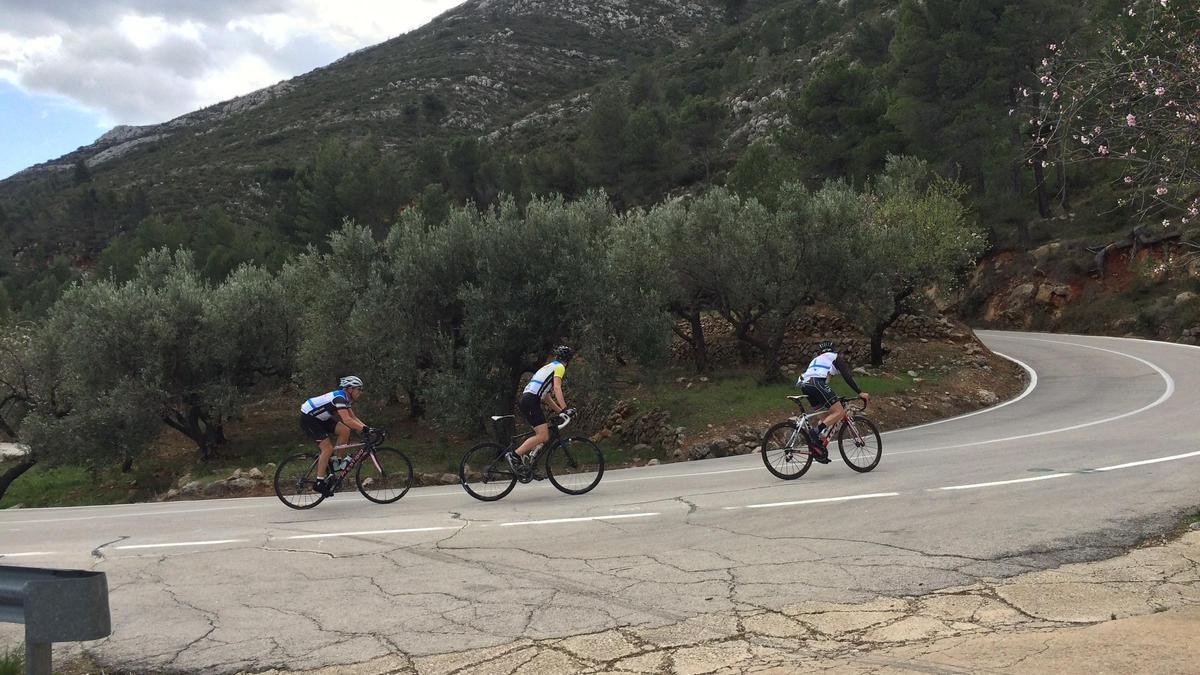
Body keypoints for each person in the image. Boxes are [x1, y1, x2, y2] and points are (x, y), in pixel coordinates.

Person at [506, 346, 576, 476]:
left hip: (527, 399)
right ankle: (514, 456)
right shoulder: (560, 367)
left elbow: (546, 396)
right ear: (568, 360)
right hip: (531, 401)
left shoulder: (548, 367)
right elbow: (557, 387)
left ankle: (529, 465)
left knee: (542, 435)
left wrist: (560, 411)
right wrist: (566, 409)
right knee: (543, 436)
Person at [299, 375, 374, 496]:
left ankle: (337, 462)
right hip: (309, 418)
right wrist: (365, 429)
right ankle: (319, 482)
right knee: (327, 448)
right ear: (350, 389)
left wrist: (369, 429)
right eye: (359, 389)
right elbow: (347, 420)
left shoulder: (345, 399)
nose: (361, 392)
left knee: (345, 431)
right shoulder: (339, 398)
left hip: (320, 417)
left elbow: (353, 418)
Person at [797, 340, 869, 463]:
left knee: (826, 417)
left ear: (821, 352)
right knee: (839, 412)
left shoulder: (817, 360)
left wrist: (833, 399)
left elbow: (824, 387)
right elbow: (847, 376)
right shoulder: (834, 357)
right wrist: (859, 392)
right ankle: (815, 433)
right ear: (833, 350)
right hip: (816, 383)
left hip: (805, 384)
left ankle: (817, 448)